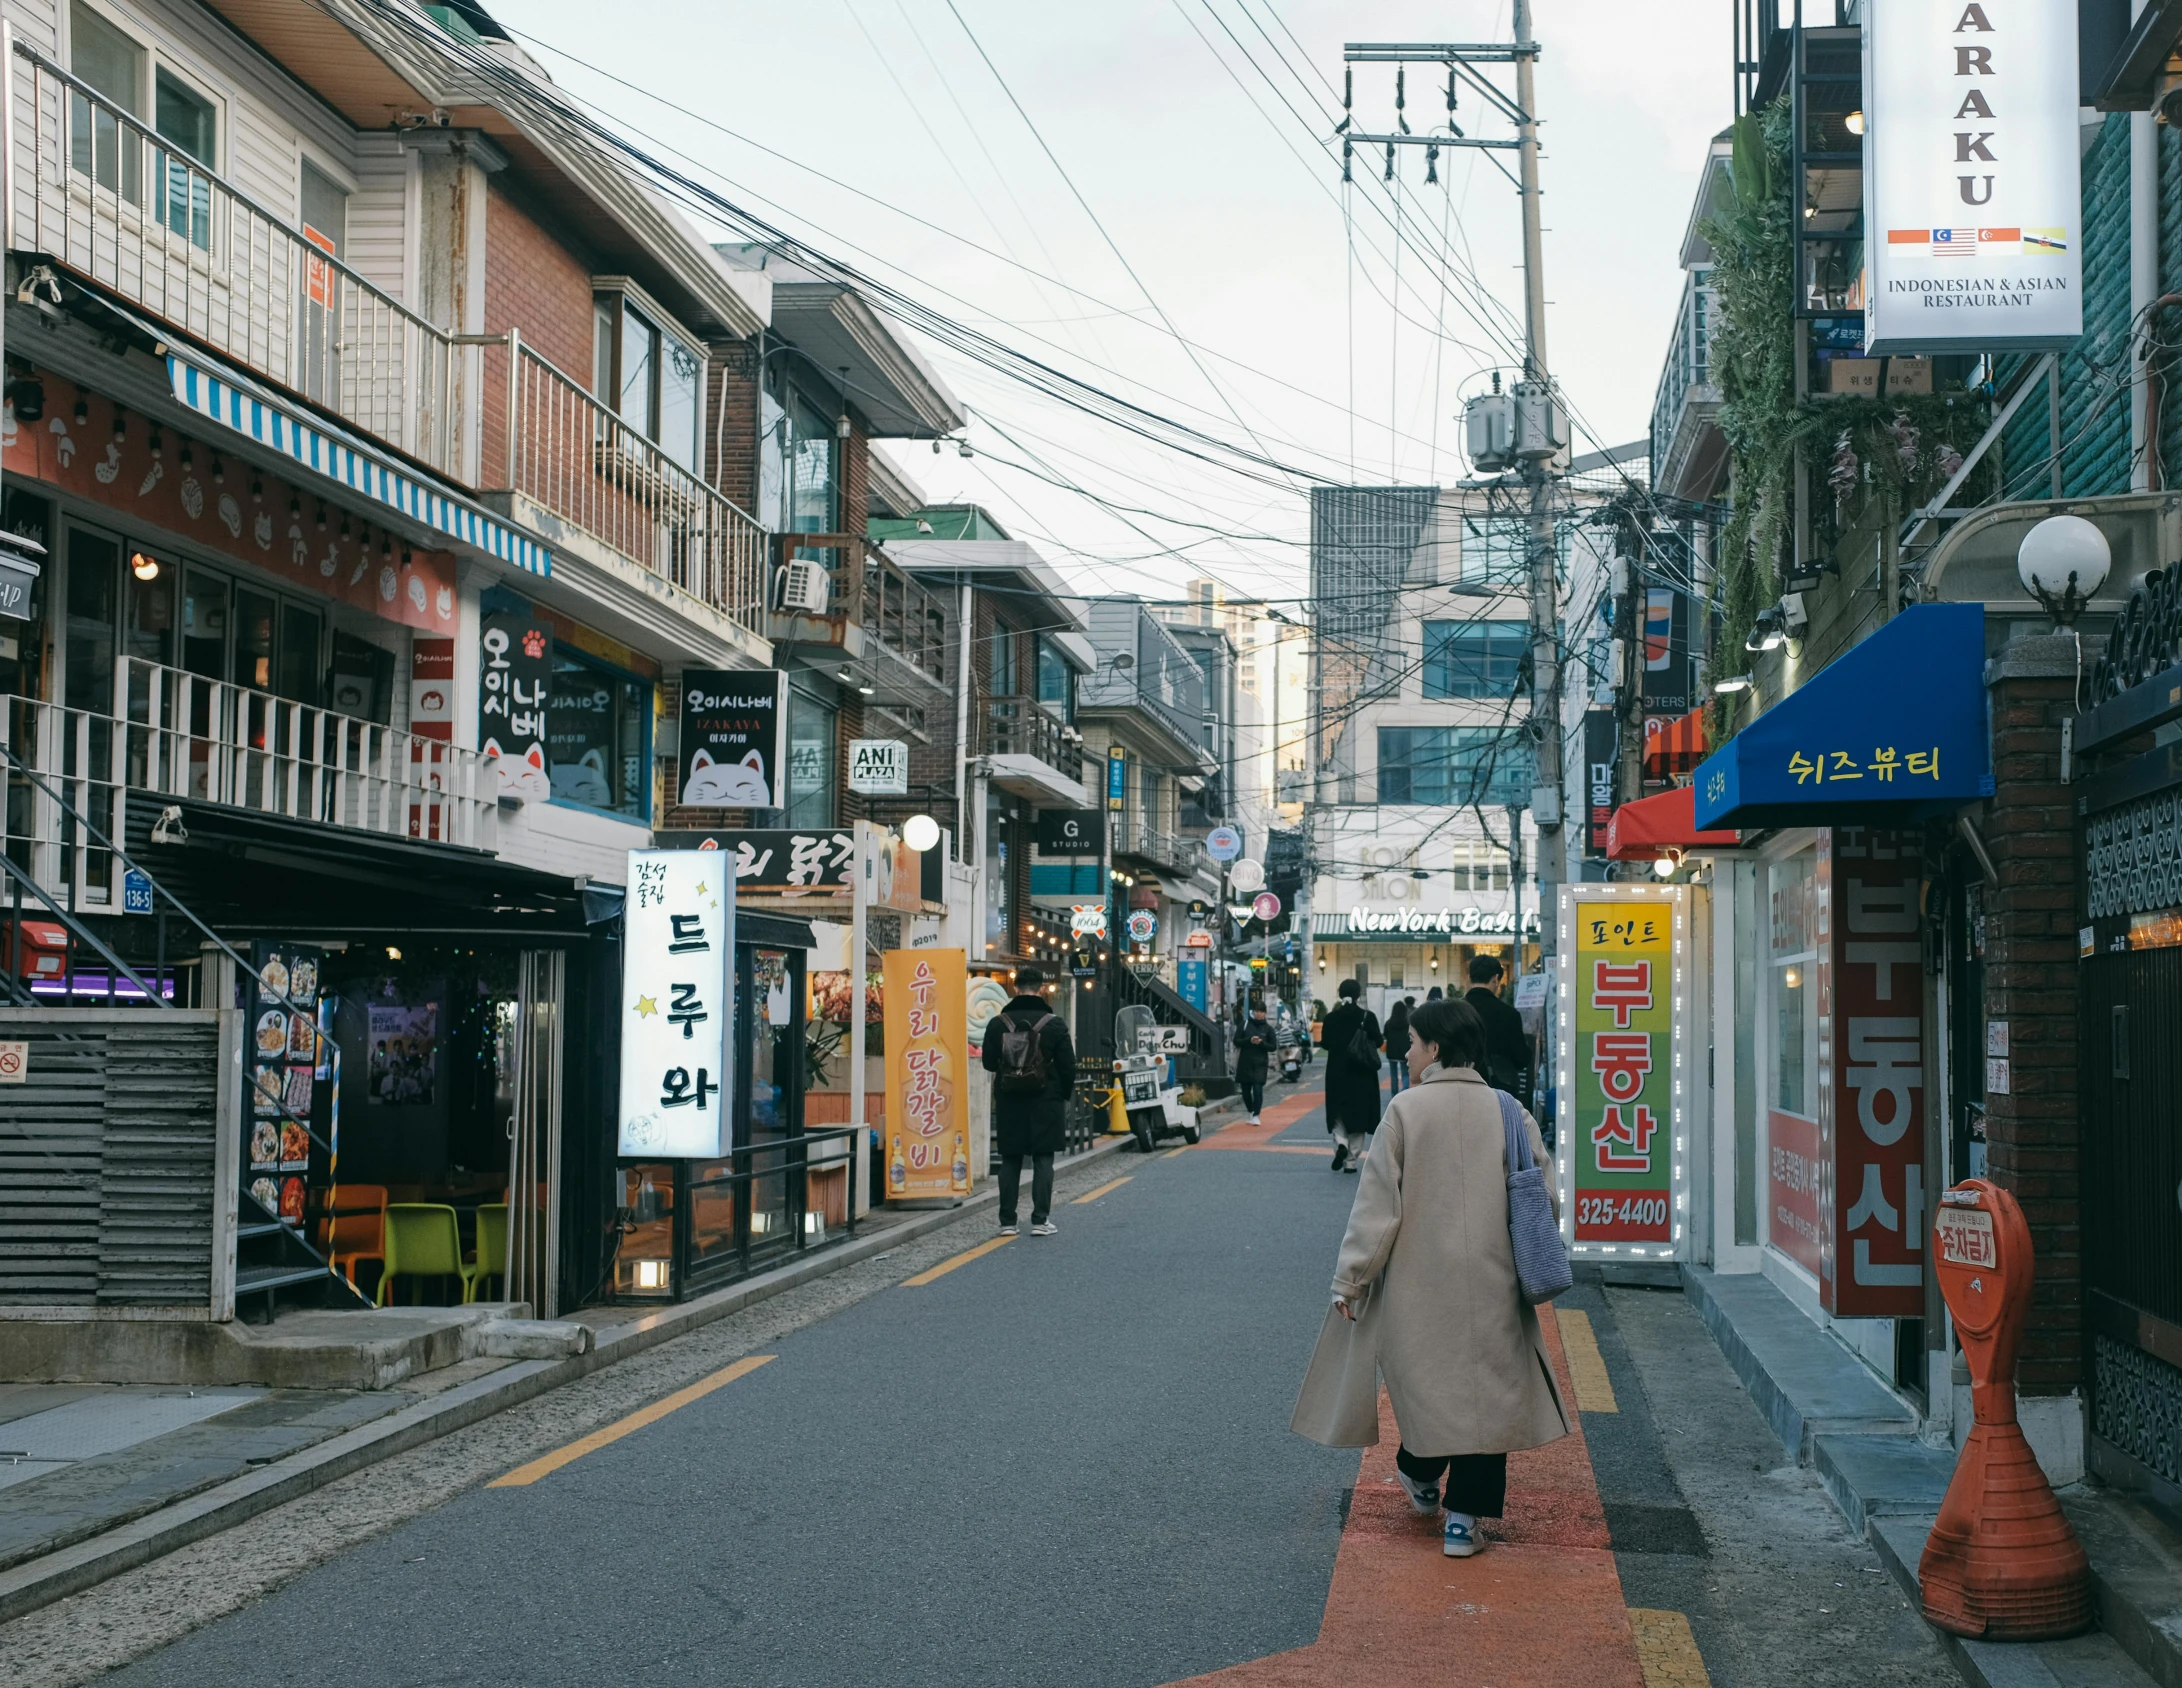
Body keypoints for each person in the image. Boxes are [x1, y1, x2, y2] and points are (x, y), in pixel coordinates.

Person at [1293, 996, 1569, 1558]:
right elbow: (1547, 1199)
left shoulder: (1405, 1112)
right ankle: (1464, 1522)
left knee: (1427, 1390)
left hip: (1419, 1289)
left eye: (1414, 1043)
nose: (1408, 1052)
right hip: (1498, 1284)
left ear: (1435, 1049)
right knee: (1490, 1398)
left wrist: (1351, 1281)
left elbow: (1377, 1212)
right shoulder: (1509, 1111)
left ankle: (1418, 1472)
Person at [980, 968, 1075, 1236]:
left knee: (1010, 1159)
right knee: (1043, 1158)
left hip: (1010, 1100)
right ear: (1042, 988)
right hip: (1046, 1100)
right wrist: (1062, 1095)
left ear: (1015, 987)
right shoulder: (1054, 1023)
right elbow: (1069, 1066)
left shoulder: (998, 1023)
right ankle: (1040, 1220)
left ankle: (1008, 1222)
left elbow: (988, 1063)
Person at [1316, 978, 1382, 1173]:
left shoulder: (1330, 1018)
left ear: (1339, 994)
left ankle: (1341, 1142)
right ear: (1358, 995)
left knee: (1337, 1113)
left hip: (1336, 1072)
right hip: (1362, 1074)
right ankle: (1351, 1160)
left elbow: (1325, 1044)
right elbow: (1378, 1041)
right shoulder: (1367, 1017)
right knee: (1359, 1116)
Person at [1464, 955, 1534, 1103]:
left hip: (1461, 1087)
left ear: (1470, 977)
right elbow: (1521, 1058)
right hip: (1500, 1091)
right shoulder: (1508, 1014)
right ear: (1496, 978)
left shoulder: (1453, 1011)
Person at [1234, 998, 1275, 1122]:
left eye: (1261, 1011)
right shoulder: (1245, 1024)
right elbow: (1236, 1041)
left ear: (1265, 1013)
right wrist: (1249, 1040)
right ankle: (1251, 1111)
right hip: (1245, 1062)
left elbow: (1273, 1046)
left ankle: (1256, 1114)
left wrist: (1262, 1043)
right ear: (1253, 1012)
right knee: (1245, 1092)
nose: (1259, 1014)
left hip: (1260, 1063)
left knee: (1257, 1090)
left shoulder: (1268, 1029)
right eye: (1257, 1011)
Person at [1383, 998, 1414, 1096]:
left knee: (1393, 1074)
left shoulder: (1388, 1023)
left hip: (1392, 1052)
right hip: (1404, 1051)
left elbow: (1385, 1035)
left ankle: (1394, 1094)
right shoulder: (1407, 1024)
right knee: (1405, 1073)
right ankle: (1404, 1091)